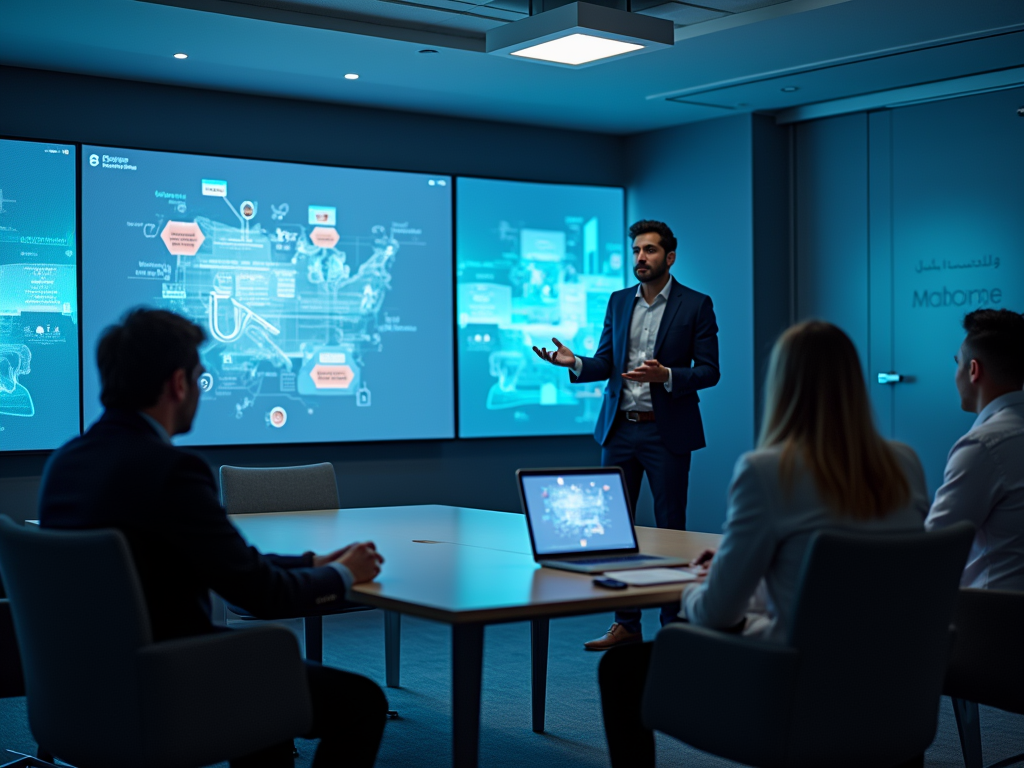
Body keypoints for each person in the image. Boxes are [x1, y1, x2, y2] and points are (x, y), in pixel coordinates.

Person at [38, 309, 388, 768]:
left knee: (260, 683)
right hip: (170, 684)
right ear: (178, 384)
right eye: (201, 378)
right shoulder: (170, 472)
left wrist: (312, 562)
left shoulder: (64, 464)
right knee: (361, 702)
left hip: (80, 689)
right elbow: (263, 595)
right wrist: (343, 575)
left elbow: (227, 561)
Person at [597, 320, 930, 768]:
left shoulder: (767, 471)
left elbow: (717, 614)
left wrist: (704, 581)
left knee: (622, 670)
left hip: (792, 687)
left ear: (781, 386)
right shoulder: (904, 462)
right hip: (892, 684)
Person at [533, 219, 720, 650]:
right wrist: (574, 362)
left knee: (672, 529)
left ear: (669, 257)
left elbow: (710, 371)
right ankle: (626, 624)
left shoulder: (696, 305)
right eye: (637, 250)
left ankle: (674, 625)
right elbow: (605, 363)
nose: (641, 258)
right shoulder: (618, 302)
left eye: (650, 250)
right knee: (615, 531)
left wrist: (668, 374)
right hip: (619, 431)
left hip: (665, 434)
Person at [925, 308, 1024, 590]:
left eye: (957, 362)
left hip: (990, 623)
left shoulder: (984, 447)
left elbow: (933, 549)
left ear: (973, 370)